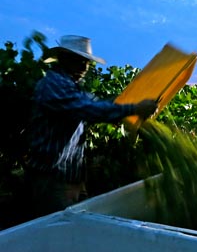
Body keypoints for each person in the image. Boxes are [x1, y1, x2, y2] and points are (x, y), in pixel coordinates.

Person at [25, 35, 158, 218]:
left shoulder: (71, 86)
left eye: (86, 62)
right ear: (64, 58)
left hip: (71, 179)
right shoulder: (54, 84)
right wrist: (134, 108)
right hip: (52, 180)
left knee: (76, 231)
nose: (84, 67)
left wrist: (128, 102)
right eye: (79, 61)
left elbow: (98, 103)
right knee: (60, 236)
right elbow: (90, 109)